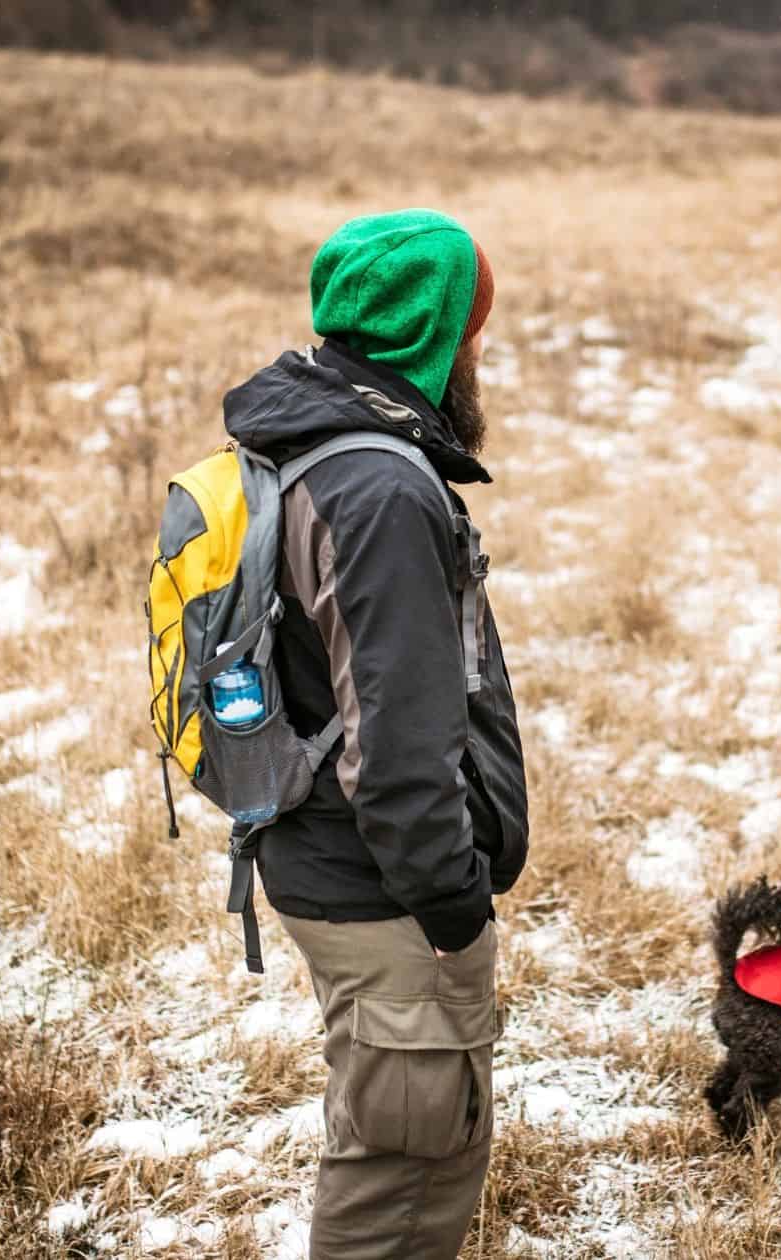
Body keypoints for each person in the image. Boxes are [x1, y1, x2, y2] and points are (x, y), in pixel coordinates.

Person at [221, 209, 529, 1259]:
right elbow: (395, 751)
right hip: (384, 888)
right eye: (471, 332)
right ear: (433, 337)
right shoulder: (381, 487)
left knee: (395, 1139)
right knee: (402, 1172)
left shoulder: (306, 437)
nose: (478, 354)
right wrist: (452, 911)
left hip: (330, 858)